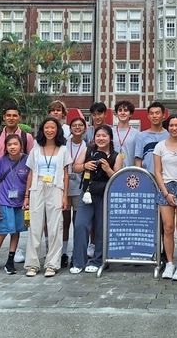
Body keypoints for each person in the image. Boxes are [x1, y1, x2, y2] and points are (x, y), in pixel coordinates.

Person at [0, 102, 34, 265]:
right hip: (2, 186)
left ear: (19, 117)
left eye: (15, 115)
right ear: (4, 117)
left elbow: (31, 164)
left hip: (20, 189)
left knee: (16, 226)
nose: (11, 118)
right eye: (8, 115)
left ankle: (12, 255)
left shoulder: (26, 137)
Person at [23, 117, 71, 277]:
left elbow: (66, 174)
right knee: (35, 227)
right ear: (42, 130)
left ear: (57, 130)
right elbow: (30, 172)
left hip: (56, 188)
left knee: (55, 227)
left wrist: (65, 196)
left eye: (53, 128)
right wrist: (27, 195)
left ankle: (52, 264)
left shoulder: (63, 149)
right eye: (46, 128)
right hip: (37, 188)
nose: (50, 130)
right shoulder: (36, 149)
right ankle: (32, 264)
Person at [71, 125, 122, 273]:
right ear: (94, 138)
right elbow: (75, 167)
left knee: (101, 228)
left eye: (104, 136)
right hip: (87, 193)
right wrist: (85, 165)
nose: (101, 138)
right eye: (98, 135)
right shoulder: (88, 150)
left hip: (105, 195)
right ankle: (78, 261)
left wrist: (107, 169)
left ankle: (98, 260)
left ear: (110, 138)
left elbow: (117, 178)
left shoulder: (116, 155)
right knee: (80, 225)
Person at [153, 114, 177, 281]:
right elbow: (157, 171)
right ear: (167, 127)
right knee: (168, 228)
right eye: (171, 125)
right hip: (166, 188)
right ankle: (169, 263)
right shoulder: (160, 146)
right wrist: (165, 192)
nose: (174, 128)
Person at [0, 134, 30, 274]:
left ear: (21, 146)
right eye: (9, 144)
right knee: (3, 230)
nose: (12, 147)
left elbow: (30, 180)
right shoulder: (1, 161)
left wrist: (27, 198)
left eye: (15, 144)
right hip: (4, 200)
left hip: (20, 202)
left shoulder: (27, 160)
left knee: (16, 231)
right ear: (5, 147)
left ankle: (10, 260)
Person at [61, 116, 88, 268]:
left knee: (78, 222)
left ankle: (76, 253)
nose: (77, 128)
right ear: (70, 129)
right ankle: (64, 252)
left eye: (80, 125)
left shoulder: (88, 146)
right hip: (65, 187)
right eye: (74, 125)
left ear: (85, 128)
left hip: (80, 187)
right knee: (64, 221)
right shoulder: (64, 145)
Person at [134, 101, 168, 173]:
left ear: (164, 115)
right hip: (147, 177)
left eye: (157, 113)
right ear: (148, 116)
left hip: (166, 178)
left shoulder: (169, 135)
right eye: (151, 113)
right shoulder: (141, 136)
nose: (154, 116)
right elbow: (138, 160)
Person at [113, 99, 139, 164]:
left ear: (130, 114)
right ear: (116, 114)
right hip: (112, 171)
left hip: (130, 171)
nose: (122, 113)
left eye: (126, 110)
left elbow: (138, 156)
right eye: (120, 110)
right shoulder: (110, 132)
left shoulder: (137, 134)